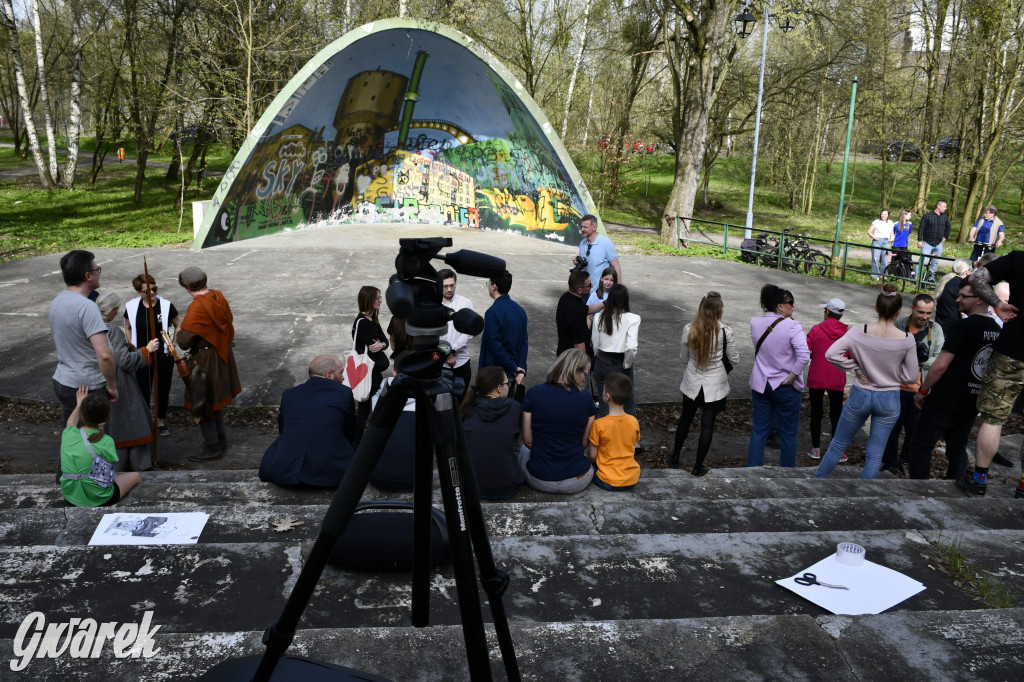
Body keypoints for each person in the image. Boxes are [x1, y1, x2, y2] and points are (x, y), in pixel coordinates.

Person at [814, 285, 919, 479]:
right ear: (899, 311)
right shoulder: (906, 339)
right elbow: (912, 377)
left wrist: (855, 366)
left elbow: (831, 354)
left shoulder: (858, 331)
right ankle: (863, 497)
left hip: (861, 394)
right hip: (889, 398)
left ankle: (817, 482)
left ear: (876, 308)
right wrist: (894, 374)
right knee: (875, 456)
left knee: (837, 445)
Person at [909, 279, 1001, 480]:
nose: (957, 300)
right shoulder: (997, 330)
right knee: (957, 449)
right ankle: (954, 489)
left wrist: (923, 391)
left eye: (963, 296)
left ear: (979, 299)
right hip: (972, 401)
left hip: (945, 399)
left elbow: (940, 365)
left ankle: (918, 491)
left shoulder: (964, 327)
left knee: (921, 446)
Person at [959, 254, 1024, 497]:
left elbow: (976, 278)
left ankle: (979, 481)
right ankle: (1023, 487)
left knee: (993, 417)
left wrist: (997, 304)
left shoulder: (1018, 259)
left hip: (1011, 352)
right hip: (1012, 352)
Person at [175, 266, 242, 461]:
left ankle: (212, 447)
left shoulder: (198, 306)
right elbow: (228, 322)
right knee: (214, 402)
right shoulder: (218, 296)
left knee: (202, 402)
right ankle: (220, 441)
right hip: (221, 354)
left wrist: (179, 330)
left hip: (205, 360)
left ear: (187, 287)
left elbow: (184, 341)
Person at [259, 355, 356, 488]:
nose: (343, 377)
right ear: (329, 374)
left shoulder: (289, 394)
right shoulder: (343, 393)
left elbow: (283, 430)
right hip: (332, 471)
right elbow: (351, 433)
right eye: (341, 372)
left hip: (288, 470)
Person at [669, 291, 739, 475]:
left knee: (685, 419)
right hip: (715, 384)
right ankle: (698, 466)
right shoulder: (725, 331)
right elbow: (734, 358)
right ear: (718, 310)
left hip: (692, 380)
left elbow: (683, 357)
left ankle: (675, 456)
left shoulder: (689, 329)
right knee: (707, 425)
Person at [49, 250, 117, 423]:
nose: (98, 273)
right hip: (88, 386)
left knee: (73, 439)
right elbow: (104, 355)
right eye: (97, 269)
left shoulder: (57, 302)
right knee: (94, 443)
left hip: (64, 380)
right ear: (88, 276)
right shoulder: (87, 307)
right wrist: (111, 385)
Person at [747, 285, 810, 468]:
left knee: (759, 430)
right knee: (789, 433)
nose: (793, 306)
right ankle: (787, 473)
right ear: (780, 306)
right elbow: (804, 355)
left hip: (761, 382)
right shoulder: (792, 326)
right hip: (784, 385)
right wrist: (792, 375)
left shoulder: (755, 323)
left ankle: (752, 469)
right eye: (790, 303)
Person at [96, 291, 158, 472]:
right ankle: (137, 464)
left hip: (96, 379)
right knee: (132, 420)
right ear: (114, 310)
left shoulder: (88, 324)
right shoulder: (111, 330)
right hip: (117, 381)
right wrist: (146, 351)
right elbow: (123, 360)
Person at [881, 293, 943, 475]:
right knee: (892, 428)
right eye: (921, 312)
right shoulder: (899, 325)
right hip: (896, 387)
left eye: (928, 313)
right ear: (912, 309)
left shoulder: (935, 329)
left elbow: (939, 356)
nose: (924, 317)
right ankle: (890, 462)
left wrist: (920, 362)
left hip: (920, 390)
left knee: (914, 430)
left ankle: (906, 461)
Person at [520, 349, 597, 494]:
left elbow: (528, 441)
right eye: (585, 374)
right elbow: (584, 443)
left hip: (540, 479)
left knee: (524, 451)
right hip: (577, 480)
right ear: (575, 371)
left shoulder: (533, 394)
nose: (585, 379)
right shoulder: (586, 399)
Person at [60, 386, 141, 507]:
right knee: (136, 476)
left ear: (82, 414)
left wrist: (79, 404)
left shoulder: (68, 433)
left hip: (71, 496)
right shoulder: (106, 441)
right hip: (100, 499)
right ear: (107, 416)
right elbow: (108, 476)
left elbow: (70, 422)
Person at [124, 274, 181, 436]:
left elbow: (178, 325)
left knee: (162, 389)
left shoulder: (166, 306)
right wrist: (133, 347)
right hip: (142, 355)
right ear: (138, 292)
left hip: (164, 355)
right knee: (142, 389)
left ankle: (161, 421)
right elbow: (127, 327)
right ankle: (143, 421)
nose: (152, 293)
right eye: (146, 291)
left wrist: (173, 344)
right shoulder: (132, 307)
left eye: (154, 289)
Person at [460, 366, 523, 499]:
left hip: (472, 486)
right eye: (507, 384)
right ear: (499, 388)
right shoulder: (514, 407)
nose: (508, 387)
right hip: (506, 486)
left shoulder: (466, 408)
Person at [805, 298, 849, 462]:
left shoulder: (816, 330)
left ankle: (815, 448)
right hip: (837, 377)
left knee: (816, 413)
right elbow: (850, 354)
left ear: (827, 312)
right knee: (836, 414)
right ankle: (837, 451)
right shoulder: (847, 333)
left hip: (817, 377)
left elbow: (806, 350)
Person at [591, 284, 641, 417]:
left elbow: (595, 343)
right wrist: (627, 364)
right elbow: (631, 347)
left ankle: (603, 435)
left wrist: (597, 357)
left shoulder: (599, 318)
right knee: (628, 403)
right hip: (621, 361)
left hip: (602, 359)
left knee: (604, 404)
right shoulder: (633, 318)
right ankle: (629, 436)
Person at [588, 372, 641, 490]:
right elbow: (633, 445)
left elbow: (592, 455)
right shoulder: (633, 421)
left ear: (607, 396)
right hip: (631, 479)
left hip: (607, 480)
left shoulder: (599, 424)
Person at [478, 270, 528, 393]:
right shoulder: (520, 310)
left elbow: (495, 346)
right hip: (512, 374)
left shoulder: (492, 312)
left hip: (494, 375)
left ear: (494, 286)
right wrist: (520, 368)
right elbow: (524, 342)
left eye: (488, 283)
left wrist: (513, 367)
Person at [352, 285, 390, 441]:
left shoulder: (372, 319)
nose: (381, 300)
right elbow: (376, 352)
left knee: (376, 404)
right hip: (369, 372)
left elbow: (384, 341)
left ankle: (368, 439)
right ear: (369, 300)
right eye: (378, 298)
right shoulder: (363, 323)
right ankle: (357, 442)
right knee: (365, 408)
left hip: (374, 372)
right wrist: (381, 346)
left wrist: (382, 345)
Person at [438, 269, 475, 399]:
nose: (449, 289)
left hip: (461, 362)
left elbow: (469, 331)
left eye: (452, 285)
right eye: (445, 286)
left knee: (460, 402)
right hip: (438, 363)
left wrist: (452, 350)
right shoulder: (433, 305)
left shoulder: (465, 303)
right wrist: (446, 353)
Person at [574, 214, 622, 287]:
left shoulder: (606, 243)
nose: (582, 229)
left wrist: (619, 288)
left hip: (602, 292)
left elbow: (616, 266)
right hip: (586, 290)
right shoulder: (582, 243)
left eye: (585, 227)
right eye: (582, 226)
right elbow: (585, 265)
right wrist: (577, 263)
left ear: (594, 228)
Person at [556, 270, 593, 357]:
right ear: (580, 290)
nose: (592, 286)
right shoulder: (576, 309)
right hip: (572, 359)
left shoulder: (566, 297)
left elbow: (587, 309)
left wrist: (606, 303)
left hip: (563, 353)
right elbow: (579, 344)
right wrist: (584, 366)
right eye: (589, 285)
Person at [934, 259, 972, 334]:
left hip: (940, 325)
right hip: (952, 329)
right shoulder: (962, 285)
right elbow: (963, 312)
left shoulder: (946, 280)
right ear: (967, 271)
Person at [917, 200, 952, 281]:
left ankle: (931, 278)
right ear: (938, 206)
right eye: (944, 206)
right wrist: (919, 240)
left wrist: (945, 237)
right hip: (927, 243)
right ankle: (917, 278)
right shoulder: (927, 216)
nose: (946, 208)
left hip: (938, 244)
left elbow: (948, 227)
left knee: (935, 262)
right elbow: (921, 228)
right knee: (923, 261)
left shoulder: (944, 217)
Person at [868, 209, 895, 280]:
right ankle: (875, 275)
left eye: (885, 214)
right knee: (875, 258)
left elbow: (891, 232)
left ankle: (883, 274)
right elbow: (869, 232)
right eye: (882, 214)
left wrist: (892, 238)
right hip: (877, 241)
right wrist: (874, 237)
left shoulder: (890, 222)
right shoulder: (876, 222)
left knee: (885, 259)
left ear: (888, 215)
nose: (883, 215)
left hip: (886, 242)